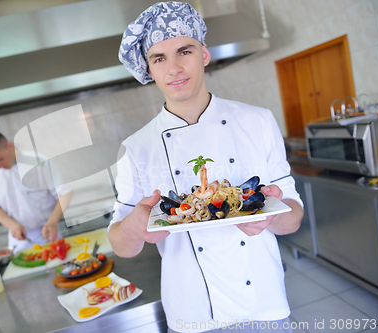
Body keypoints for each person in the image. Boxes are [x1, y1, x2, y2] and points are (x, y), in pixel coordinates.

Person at [108, 2, 304, 333]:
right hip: (192, 314)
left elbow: (294, 218)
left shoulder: (258, 121)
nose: (173, 68)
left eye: (184, 51)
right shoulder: (135, 149)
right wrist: (135, 227)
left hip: (264, 304)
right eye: (159, 58)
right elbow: (121, 244)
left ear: (204, 55)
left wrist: (271, 216)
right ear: (150, 70)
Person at [0, 129, 73, 253]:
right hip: (18, 237)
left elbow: (65, 193)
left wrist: (52, 221)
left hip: (48, 232)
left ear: (9, 146)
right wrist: (11, 225)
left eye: (0, 159)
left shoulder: (38, 162)